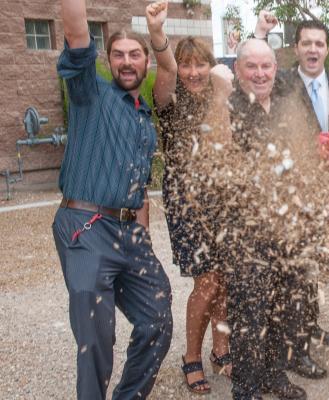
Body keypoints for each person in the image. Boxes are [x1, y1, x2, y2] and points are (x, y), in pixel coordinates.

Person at [53, 0, 173, 397]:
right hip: (86, 228)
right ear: (107, 60)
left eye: (134, 55)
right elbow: (75, 31)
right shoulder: (90, 94)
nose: (126, 61)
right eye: (118, 54)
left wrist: (144, 240)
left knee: (157, 318)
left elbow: (138, 191)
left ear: (144, 63)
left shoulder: (143, 117)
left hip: (129, 231)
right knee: (96, 338)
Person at [254, 11, 329, 357]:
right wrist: (260, 34)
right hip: (292, 192)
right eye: (306, 43)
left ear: (328, 49)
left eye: (319, 44)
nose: (313, 50)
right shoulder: (279, 83)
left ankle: (311, 322)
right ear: (295, 48)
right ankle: (293, 339)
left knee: (316, 260)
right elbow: (252, 68)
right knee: (295, 263)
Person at [146, 1, 231, 394]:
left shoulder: (220, 98)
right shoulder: (169, 100)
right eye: (187, 64)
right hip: (187, 204)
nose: (193, 72)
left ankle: (222, 346)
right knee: (207, 280)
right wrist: (158, 33)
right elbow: (162, 67)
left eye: (201, 64)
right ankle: (191, 356)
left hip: (224, 201)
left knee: (225, 279)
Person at [226, 38, 315, 400]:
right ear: (238, 70)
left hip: (288, 228)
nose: (260, 73)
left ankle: (275, 377)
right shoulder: (226, 109)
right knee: (250, 312)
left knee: (284, 307)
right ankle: (246, 387)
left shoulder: (286, 107)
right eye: (252, 66)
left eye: (266, 66)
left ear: (275, 70)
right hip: (246, 231)